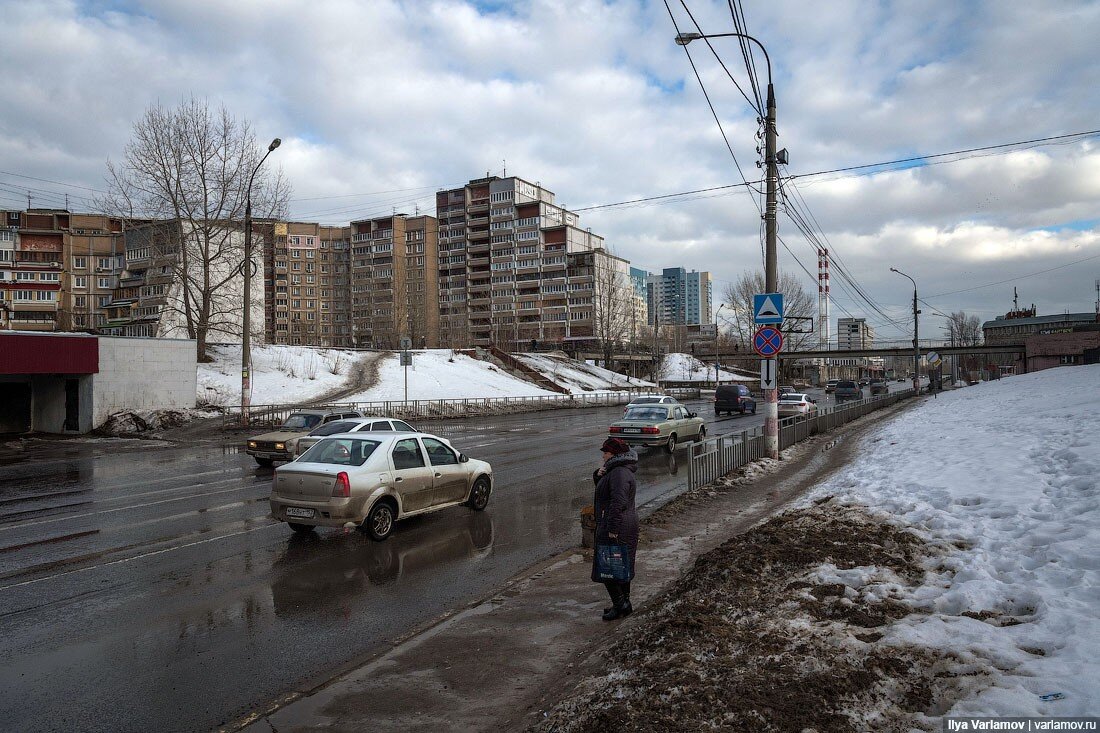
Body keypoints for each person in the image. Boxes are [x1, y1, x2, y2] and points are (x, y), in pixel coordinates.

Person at [592, 437, 639, 621]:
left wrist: (612, 528)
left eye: (606, 452)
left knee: (608, 568)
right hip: (623, 524)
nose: (603, 455)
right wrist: (599, 475)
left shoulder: (619, 473)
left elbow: (617, 502)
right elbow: (605, 492)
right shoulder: (616, 470)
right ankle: (623, 605)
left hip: (618, 525)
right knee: (620, 567)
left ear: (615, 455)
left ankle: (621, 604)